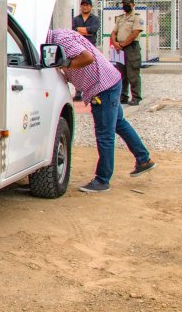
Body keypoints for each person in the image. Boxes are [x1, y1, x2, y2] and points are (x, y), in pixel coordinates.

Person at [46, 27, 155, 193]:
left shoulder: (60, 40)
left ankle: (102, 180)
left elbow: (87, 57)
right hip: (109, 81)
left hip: (102, 87)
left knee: (105, 134)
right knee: (119, 123)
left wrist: (65, 64)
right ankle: (143, 159)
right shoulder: (60, 35)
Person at [112, 0, 145, 105]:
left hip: (131, 48)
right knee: (121, 74)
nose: (125, 5)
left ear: (133, 5)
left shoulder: (137, 17)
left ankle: (136, 97)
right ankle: (123, 96)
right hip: (120, 48)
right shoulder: (120, 18)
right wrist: (115, 43)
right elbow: (114, 32)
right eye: (124, 4)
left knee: (133, 74)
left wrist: (123, 44)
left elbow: (135, 33)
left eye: (128, 4)